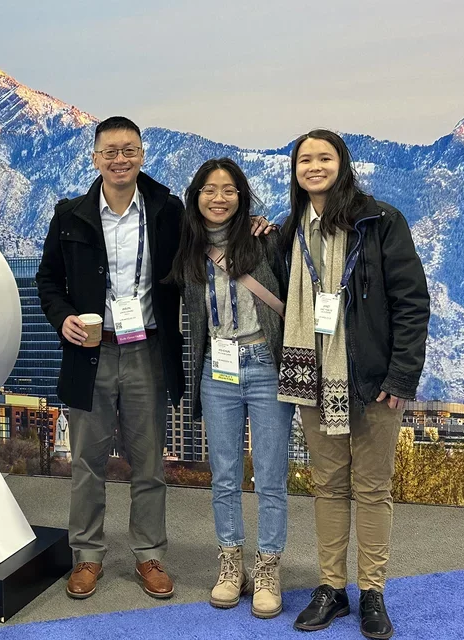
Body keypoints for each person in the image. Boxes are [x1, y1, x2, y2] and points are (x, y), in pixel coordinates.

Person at [278, 130, 430, 639]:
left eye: (325, 157)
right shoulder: (289, 230)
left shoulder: (380, 220)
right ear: (295, 170)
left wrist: (401, 374)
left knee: (371, 487)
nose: (314, 166)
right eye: (305, 159)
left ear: (342, 165)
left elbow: (412, 302)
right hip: (311, 375)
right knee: (328, 485)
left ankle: (372, 591)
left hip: (372, 380)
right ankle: (331, 587)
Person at [36, 116, 185, 599]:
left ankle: (149, 554)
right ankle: (87, 556)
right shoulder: (71, 215)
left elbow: (203, 253)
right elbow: (47, 281)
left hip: (147, 350)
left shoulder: (166, 209)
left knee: (148, 464)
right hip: (89, 352)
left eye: (129, 150)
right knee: (87, 461)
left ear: (143, 154)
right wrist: (62, 319)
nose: (120, 159)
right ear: (94, 157)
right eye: (110, 151)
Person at [166, 158, 294, 619]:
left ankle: (268, 568)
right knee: (223, 475)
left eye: (228, 190)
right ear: (195, 196)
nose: (218, 198)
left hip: (265, 364)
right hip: (215, 368)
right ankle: (230, 564)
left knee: (271, 476)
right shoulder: (189, 250)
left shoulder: (267, 239)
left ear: (242, 197)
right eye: (208, 189)